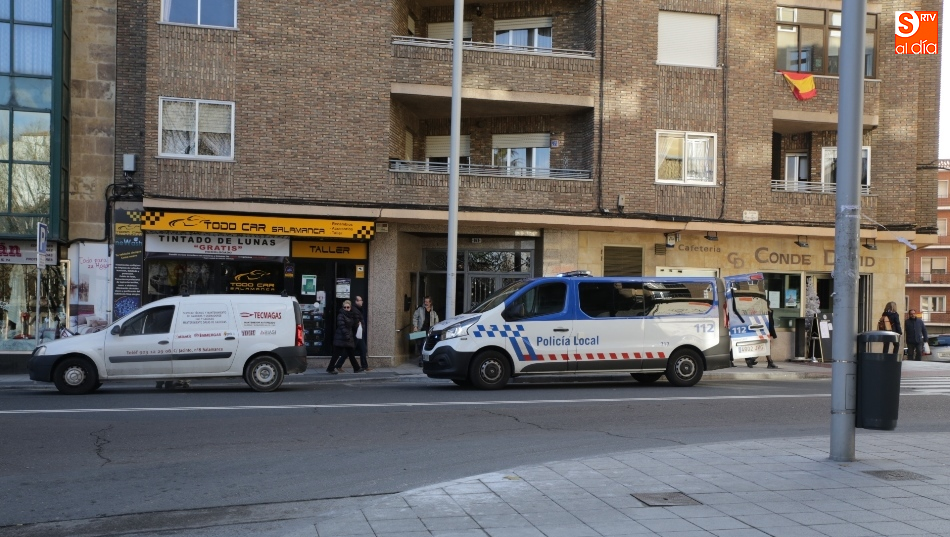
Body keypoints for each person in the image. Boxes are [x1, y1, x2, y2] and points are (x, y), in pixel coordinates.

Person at [326, 300, 363, 374]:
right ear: (343, 308)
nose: (346, 308)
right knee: (336, 354)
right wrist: (346, 335)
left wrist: (357, 324)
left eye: (348, 307)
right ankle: (330, 368)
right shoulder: (341, 315)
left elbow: (352, 324)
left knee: (351, 354)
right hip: (341, 337)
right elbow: (342, 326)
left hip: (347, 337)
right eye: (345, 307)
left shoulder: (350, 315)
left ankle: (356, 368)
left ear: (350, 307)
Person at [412, 296, 439, 366]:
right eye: (425, 301)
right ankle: (422, 358)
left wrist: (434, 329)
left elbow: (437, 321)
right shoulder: (420, 310)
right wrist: (415, 326)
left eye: (427, 302)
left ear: (430, 303)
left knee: (424, 344)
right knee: (419, 344)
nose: (426, 303)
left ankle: (422, 361)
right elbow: (415, 317)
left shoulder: (433, 312)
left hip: (428, 331)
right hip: (420, 330)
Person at [354, 295, 371, 371]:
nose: (362, 302)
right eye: (360, 300)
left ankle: (365, 366)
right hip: (356, 333)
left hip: (359, 332)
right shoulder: (355, 310)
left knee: (363, 349)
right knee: (349, 351)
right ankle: (338, 365)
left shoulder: (359, 309)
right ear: (356, 301)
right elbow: (355, 321)